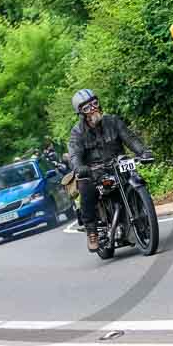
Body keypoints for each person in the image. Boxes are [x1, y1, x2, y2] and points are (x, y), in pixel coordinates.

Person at [68, 89, 153, 252]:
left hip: (118, 164)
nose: (93, 109)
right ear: (80, 113)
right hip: (94, 172)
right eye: (87, 107)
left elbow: (130, 138)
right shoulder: (77, 132)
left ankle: (142, 212)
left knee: (135, 178)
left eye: (94, 103)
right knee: (85, 186)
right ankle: (92, 231)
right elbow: (75, 155)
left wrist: (143, 152)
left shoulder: (113, 121)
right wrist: (80, 167)